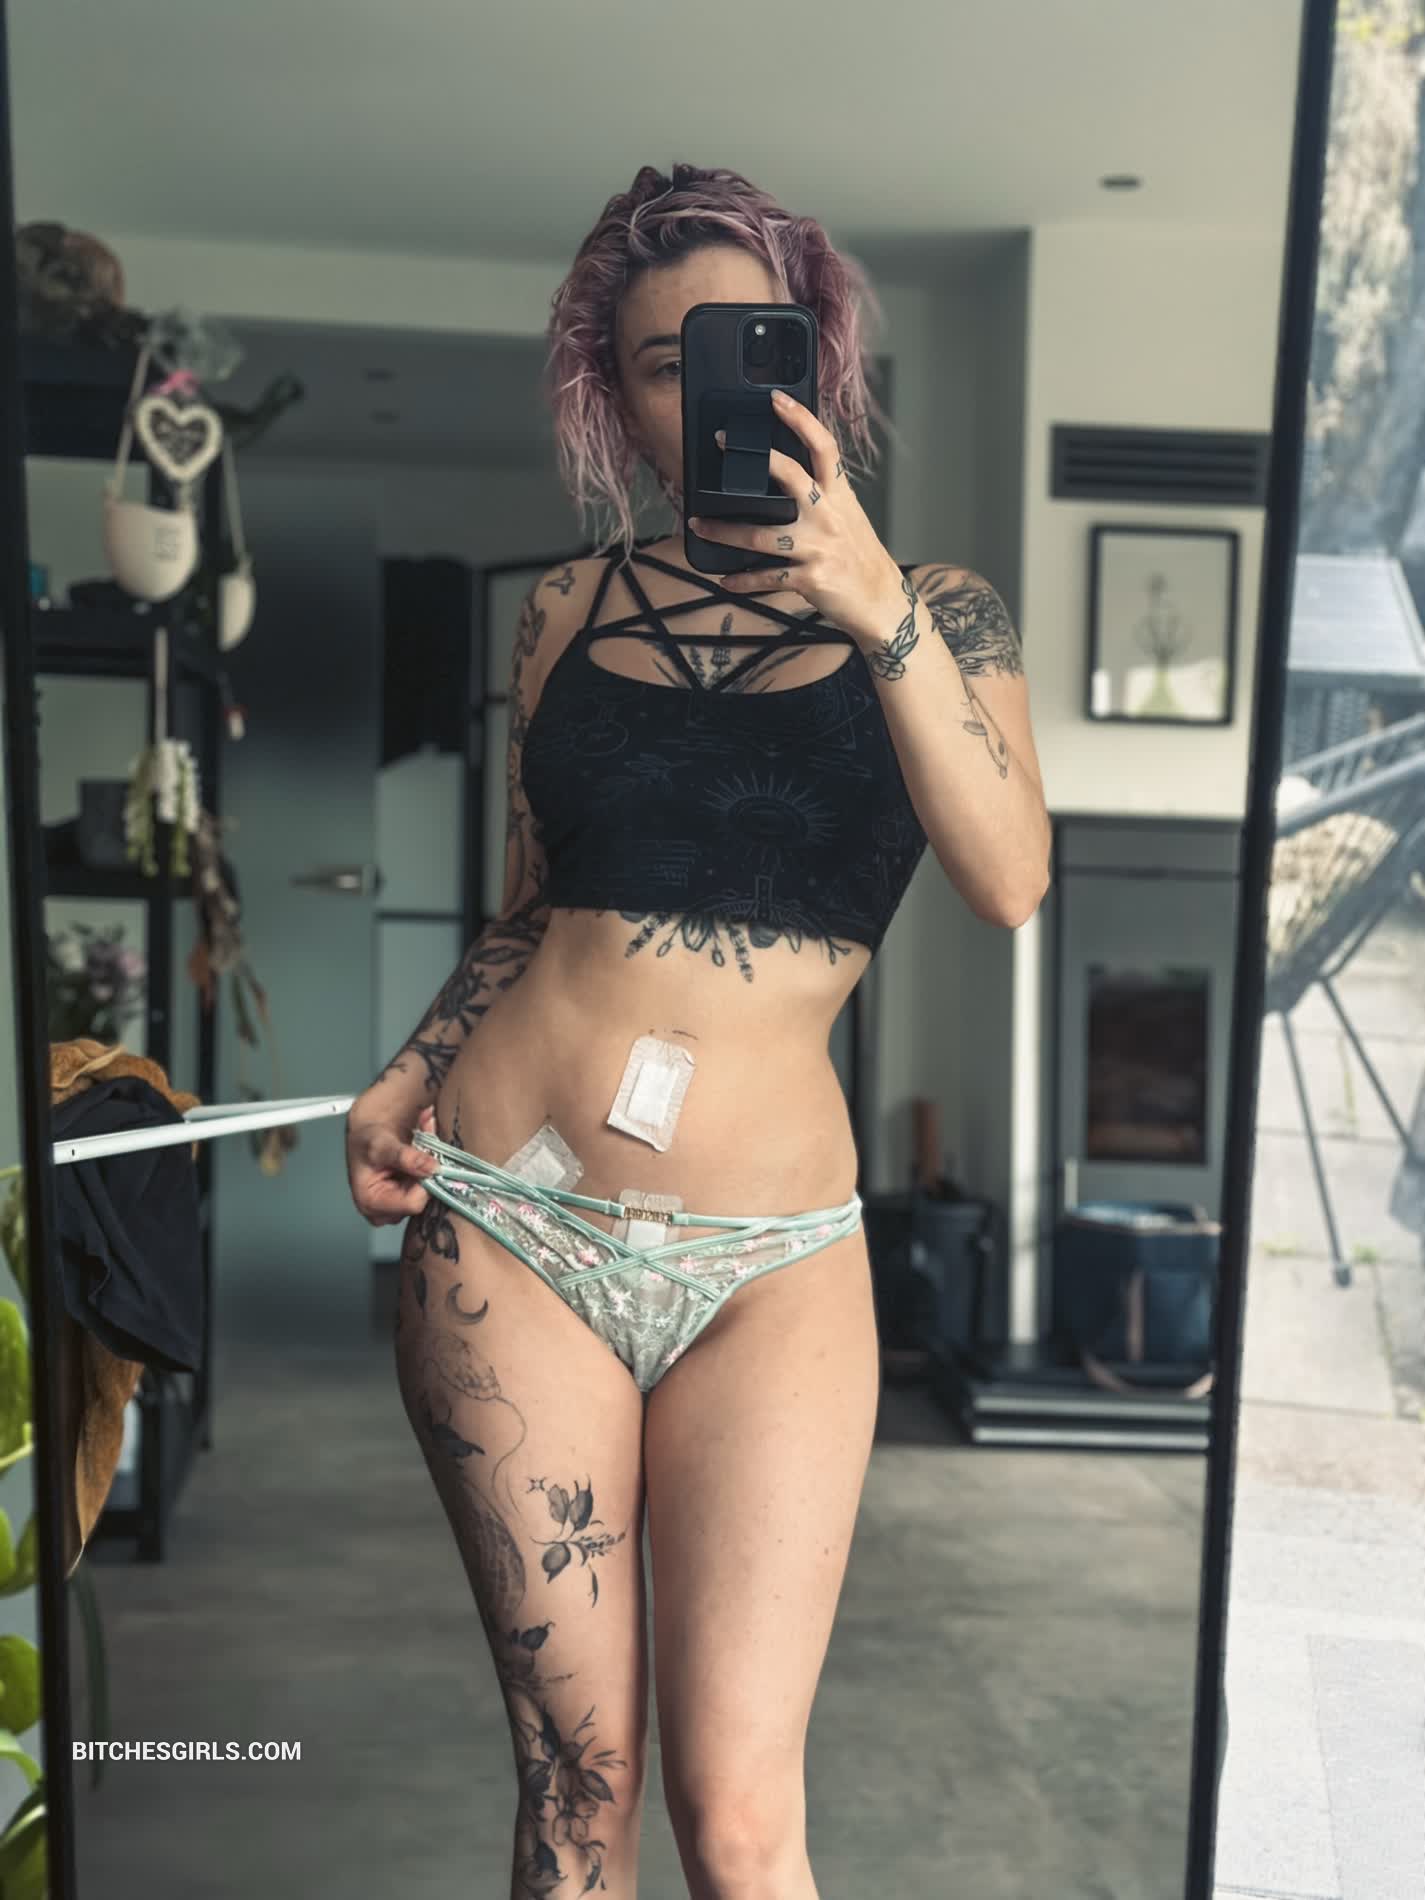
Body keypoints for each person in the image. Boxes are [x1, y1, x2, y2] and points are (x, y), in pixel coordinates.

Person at [344, 160, 1050, 1900]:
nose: (717, 391)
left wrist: (873, 606)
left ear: (817, 364)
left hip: (773, 1260)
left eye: (753, 345)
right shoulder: (565, 610)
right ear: (622, 398)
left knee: (738, 1820)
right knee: (576, 1790)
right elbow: (530, 906)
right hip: (514, 1219)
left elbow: (1008, 878)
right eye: (668, 362)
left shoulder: (945, 608)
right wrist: (413, 1067)